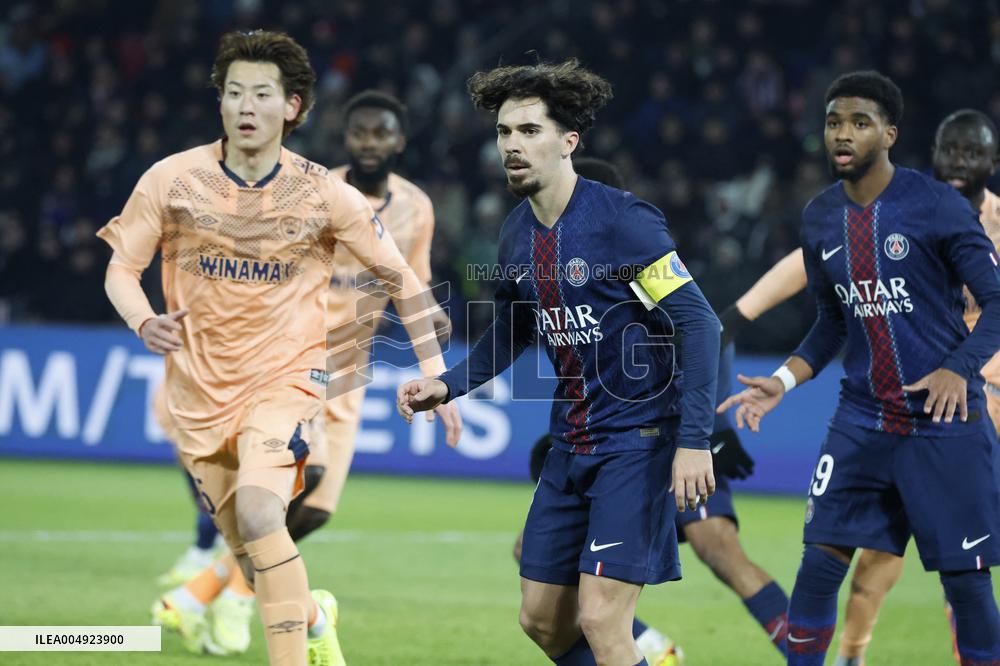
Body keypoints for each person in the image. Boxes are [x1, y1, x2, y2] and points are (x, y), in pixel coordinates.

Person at [98, 29, 455, 666]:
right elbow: (121, 269)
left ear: (292, 107)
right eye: (234, 92)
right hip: (199, 392)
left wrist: (439, 376)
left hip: (289, 381)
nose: (245, 106)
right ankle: (316, 616)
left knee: (271, 517)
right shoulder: (172, 179)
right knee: (256, 557)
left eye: (262, 94)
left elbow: (404, 279)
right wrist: (141, 319)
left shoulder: (324, 194)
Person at [398, 59, 720, 666]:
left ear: (569, 141)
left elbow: (700, 323)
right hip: (570, 445)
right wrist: (445, 385)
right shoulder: (516, 234)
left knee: (602, 619)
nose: (512, 145)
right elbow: (509, 335)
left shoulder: (624, 222)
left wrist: (694, 441)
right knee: (543, 621)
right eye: (503, 132)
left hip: (638, 442)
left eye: (529, 131)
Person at [718, 71, 1000, 666]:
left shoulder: (937, 206)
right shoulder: (820, 217)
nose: (842, 134)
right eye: (833, 122)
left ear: (890, 134)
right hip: (862, 420)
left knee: (966, 583)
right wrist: (785, 379)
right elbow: (832, 322)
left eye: (859, 122)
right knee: (819, 566)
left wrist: (959, 367)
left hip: (944, 421)